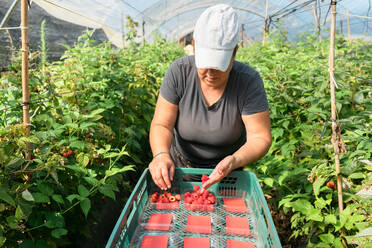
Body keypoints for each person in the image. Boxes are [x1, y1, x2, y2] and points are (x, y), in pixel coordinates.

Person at [148, 4, 272, 191]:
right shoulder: (179, 72)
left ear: (234, 53)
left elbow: (260, 136)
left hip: (227, 173)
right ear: (195, 48)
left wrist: (234, 160)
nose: (210, 73)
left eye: (219, 65)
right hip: (180, 169)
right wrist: (160, 155)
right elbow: (162, 124)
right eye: (205, 64)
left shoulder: (248, 81)